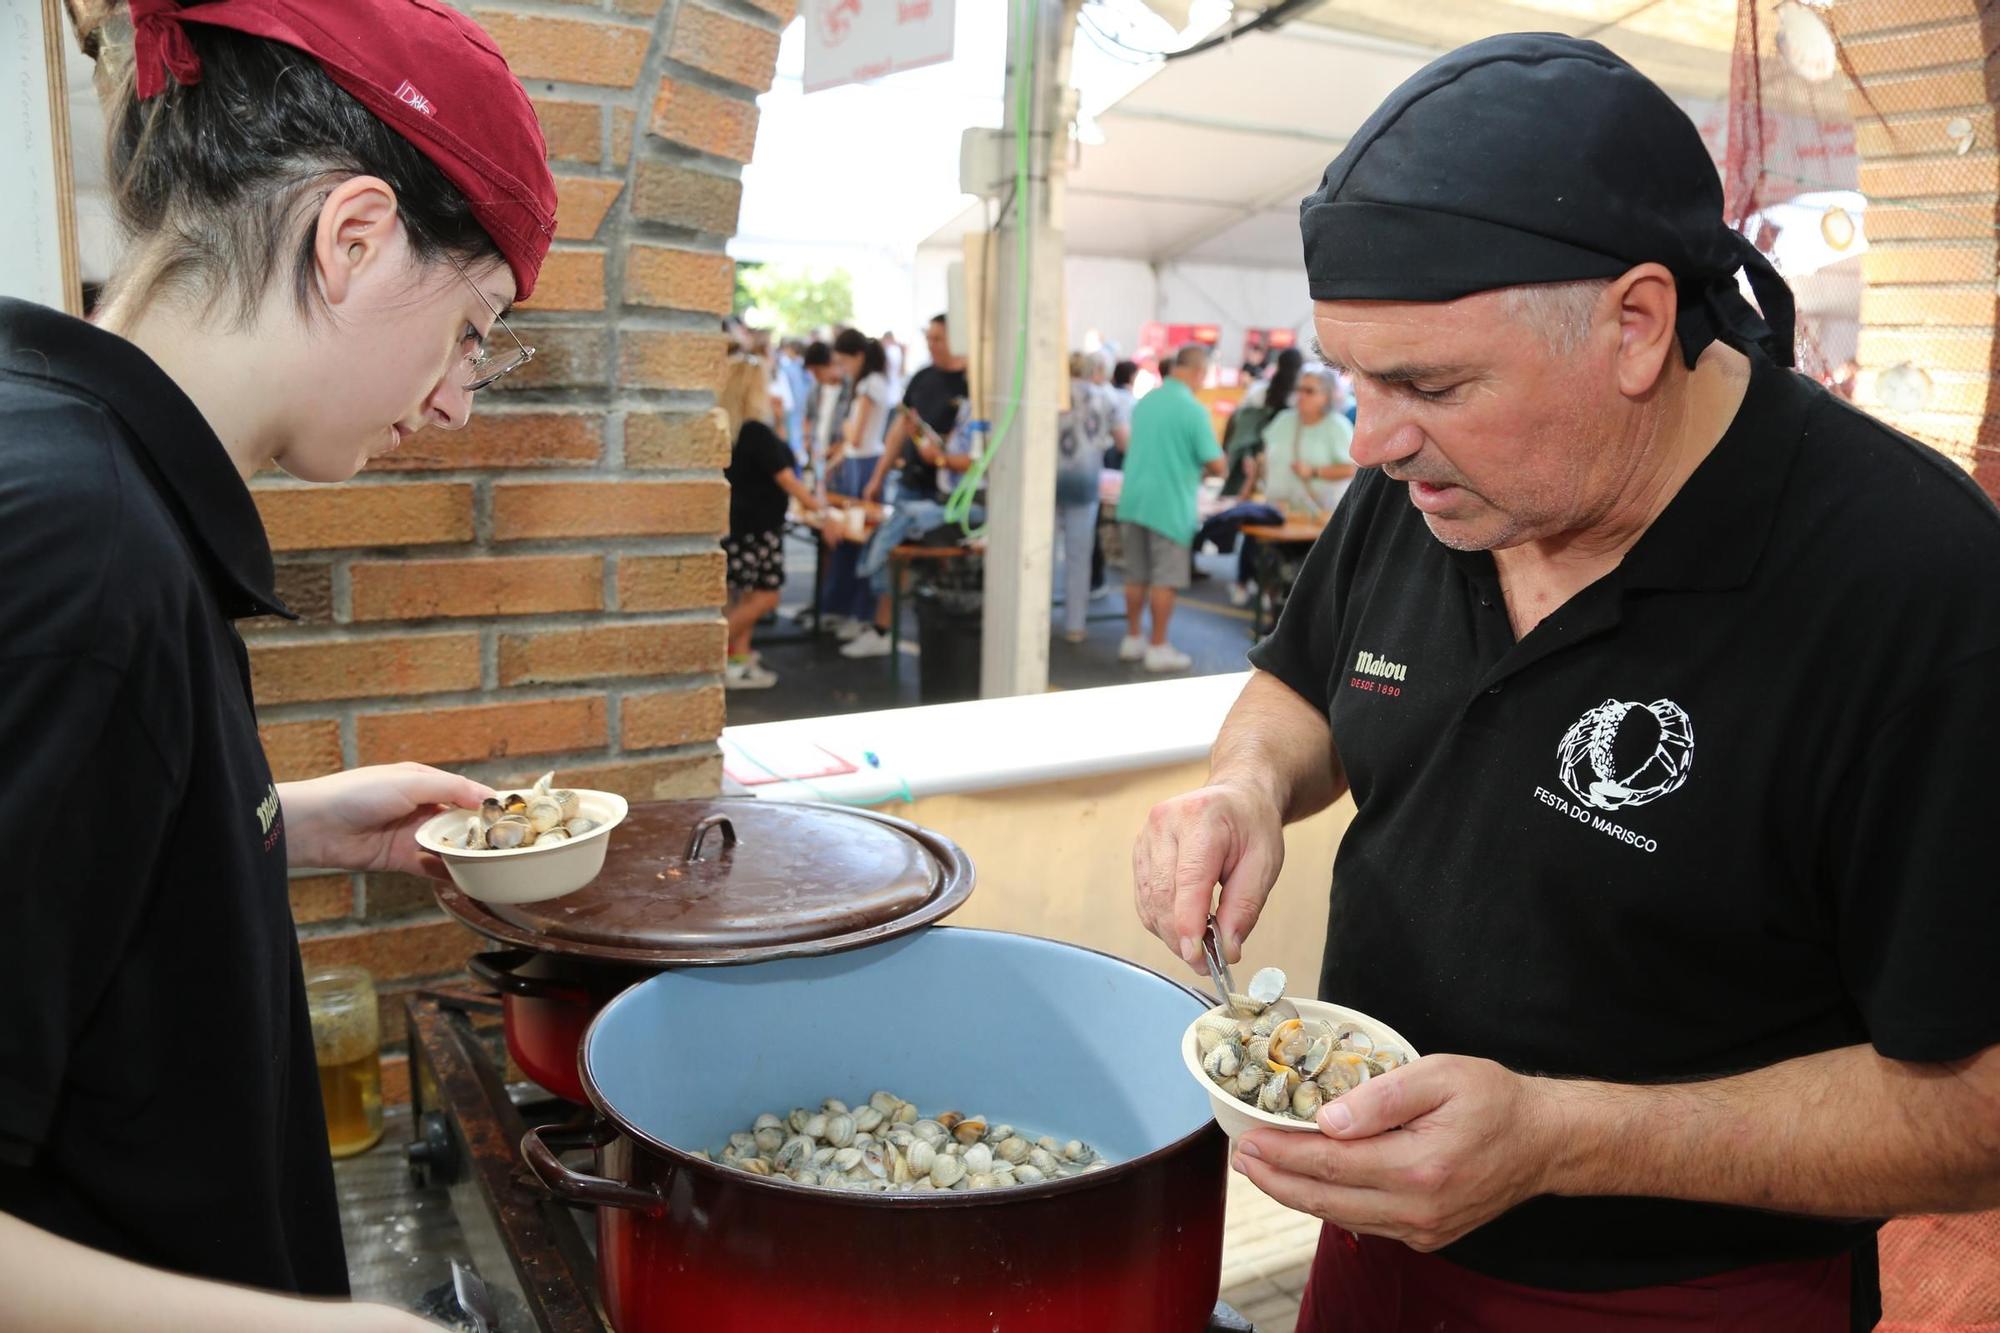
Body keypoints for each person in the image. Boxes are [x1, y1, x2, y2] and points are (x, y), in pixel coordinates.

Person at [1133, 34, 2000, 1333]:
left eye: (1430, 385)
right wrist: (1246, 788)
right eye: (1355, 381)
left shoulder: (1914, 589)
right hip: (1377, 1253)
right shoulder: (1415, 488)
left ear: (1636, 326)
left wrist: (1556, 1140)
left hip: (1689, 1298)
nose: (1372, 444)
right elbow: (1302, 685)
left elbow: (1977, 1112)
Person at [0, 2, 559, 1328]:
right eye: (475, 327)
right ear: (354, 237)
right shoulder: (79, 554)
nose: (456, 401)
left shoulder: (67, 451)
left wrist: (266, 824)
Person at [844, 313, 971, 659]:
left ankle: (937, 631)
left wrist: (944, 457)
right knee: (892, 557)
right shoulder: (923, 378)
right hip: (913, 483)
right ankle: (882, 627)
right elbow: (902, 428)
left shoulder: (973, 383)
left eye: (939, 339)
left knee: (937, 562)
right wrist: (878, 475)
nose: (932, 345)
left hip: (952, 492)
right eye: (929, 338)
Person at [1113, 343, 1225, 672]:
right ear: (1198, 372)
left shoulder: (1145, 402)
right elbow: (1217, 465)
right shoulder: (1192, 410)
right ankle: (1158, 645)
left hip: (1133, 499)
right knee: (1165, 579)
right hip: (1170, 506)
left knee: (1135, 574)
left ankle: (1132, 638)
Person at [719, 356, 823, 689]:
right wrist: (820, 509)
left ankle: (738, 658)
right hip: (756, 527)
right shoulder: (755, 432)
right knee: (765, 596)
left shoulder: (732, 430)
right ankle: (716, 655)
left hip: (738, 524)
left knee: (745, 597)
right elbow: (787, 478)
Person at [819, 329, 891, 633]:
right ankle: (849, 611)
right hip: (858, 463)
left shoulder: (869, 386)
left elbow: (856, 435)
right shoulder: (871, 384)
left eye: (845, 362)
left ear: (857, 356)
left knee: (858, 543)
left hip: (862, 466)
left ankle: (859, 615)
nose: (843, 369)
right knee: (851, 542)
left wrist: (846, 431)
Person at [1053, 351, 1117, 643]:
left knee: (1044, 554)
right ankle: (1075, 625)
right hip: (1087, 480)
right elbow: (1118, 435)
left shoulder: (1053, 393)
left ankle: (1035, 618)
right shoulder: (1104, 397)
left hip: (1050, 480)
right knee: (1079, 556)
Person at [1223, 346, 1302, 498]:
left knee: (1245, 490)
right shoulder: (1299, 397)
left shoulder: (1259, 391)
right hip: (1283, 451)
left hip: (1253, 448)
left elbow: (1239, 418)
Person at [1103, 359, 1140, 470]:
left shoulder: (1107, 395)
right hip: (1120, 451)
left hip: (1102, 450)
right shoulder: (1132, 401)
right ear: (1132, 377)